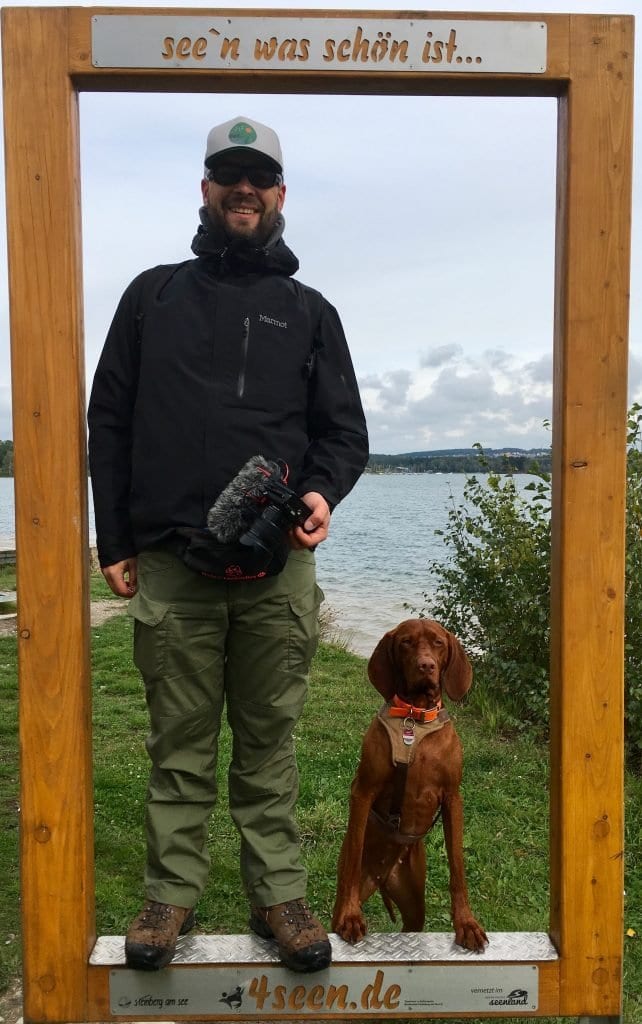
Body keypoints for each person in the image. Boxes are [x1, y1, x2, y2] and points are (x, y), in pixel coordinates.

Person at [87, 115, 369, 974]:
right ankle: (168, 900)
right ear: (204, 190)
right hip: (172, 563)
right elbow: (111, 421)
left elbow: (343, 433)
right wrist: (115, 539)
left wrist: (320, 492)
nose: (242, 189)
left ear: (280, 195)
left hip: (276, 570)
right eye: (226, 175)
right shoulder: (151, 296)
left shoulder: (310, 312)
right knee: (177, 746)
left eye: (259, 178)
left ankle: (278, 897)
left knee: (269, 744)